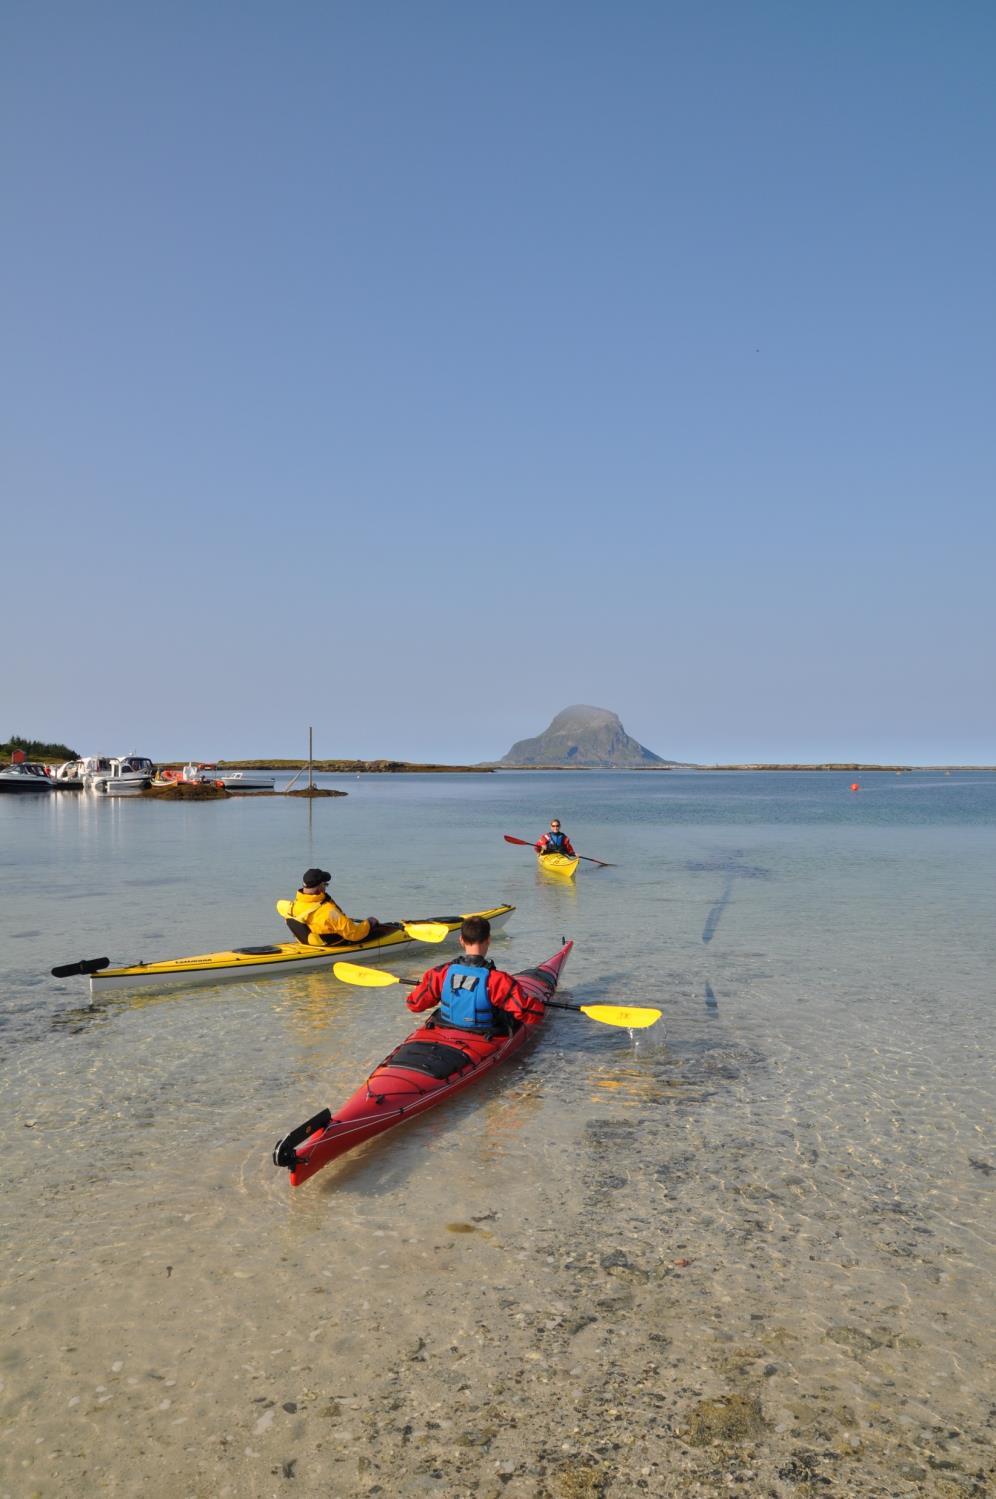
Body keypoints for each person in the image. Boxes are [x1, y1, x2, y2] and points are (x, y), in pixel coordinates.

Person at [405, 916, 544, 1035]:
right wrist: (538, 1003)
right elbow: (532, 1015)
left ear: (461, 940)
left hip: (446, 1025)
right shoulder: (498, 980)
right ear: (488, 940)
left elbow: (414, 1005)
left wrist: (424, 986)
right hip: (485, 1032)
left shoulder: (439, 973)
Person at [280, 867, 381, 947]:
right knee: (376, 932)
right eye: (325, 884)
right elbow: (354, 934)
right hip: (334, 945)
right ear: (320, 886)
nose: (325, 887)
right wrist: (369, 923)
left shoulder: (293, 906)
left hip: (308, 943)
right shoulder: (329, 911)